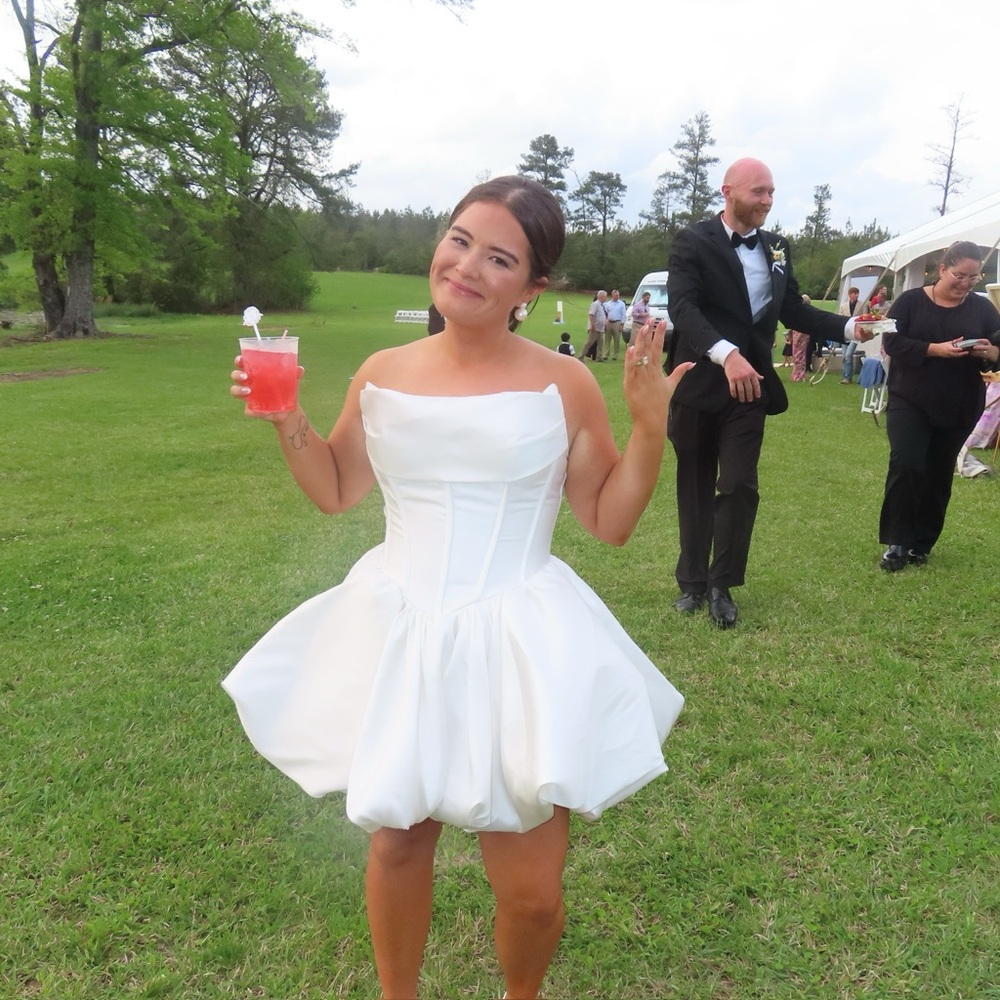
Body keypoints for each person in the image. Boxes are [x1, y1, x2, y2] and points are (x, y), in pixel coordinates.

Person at [223, 175, 690, 1000]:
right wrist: (287, 420)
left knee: (532, 891)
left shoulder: (564, 383)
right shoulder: (382, 371)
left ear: (532, 287)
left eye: (499, 258)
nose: (468, 266)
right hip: (401, 625)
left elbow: (609, 520)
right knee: (398, 842)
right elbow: (337, 488)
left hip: (518, 635)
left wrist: (650, 427)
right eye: (460, 240)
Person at [664, 157, 872, 628]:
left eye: (772, 192)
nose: (767, 200)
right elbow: (683, 307)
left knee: (739, 484)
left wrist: (849, 327)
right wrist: (725, 354)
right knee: (694, 485)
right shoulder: (693, 241)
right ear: (728, 192)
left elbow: (793, 310)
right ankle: (692, 582)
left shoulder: (777, 247)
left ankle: (721, 585)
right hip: (698, 381)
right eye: (758, 191)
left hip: (750, 387)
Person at [877, 240, 1000, 571]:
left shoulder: (982, 308)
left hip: (960, 402)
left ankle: (921, 544)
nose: (966, 284)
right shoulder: (910, 302)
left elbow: (997, 346)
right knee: (906, 464)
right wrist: (935, 349)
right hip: (909, 399)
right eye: (960, 276)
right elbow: (892, 341)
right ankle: (897, 541)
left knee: (938, 472)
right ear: (942, 269)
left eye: (974, 278)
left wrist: (990, 352)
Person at [838, 286, 861, 383]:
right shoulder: (843, 306)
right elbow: (839, 319)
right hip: (845, 333)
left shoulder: (862, 305)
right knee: (844, 355)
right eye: (854, 293)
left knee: (848, 354)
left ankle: (848, 377)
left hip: (855, 334)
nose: (856, 295)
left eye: (857, 293)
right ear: (850, 295)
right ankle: (845, 376)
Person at [581, 289, 607, 361]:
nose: (606, 298)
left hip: (600, 328)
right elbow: (591, 315)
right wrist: (592, 325)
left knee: (600, 343)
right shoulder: (595, 304)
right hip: (595, 328)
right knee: (589, 343)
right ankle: (581, 356)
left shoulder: (602, 305)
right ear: (601, 296)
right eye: (605, 296)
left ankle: (599, 357)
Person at [603, 289, 627, 360]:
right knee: (607, 339)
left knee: (617, 340)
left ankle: (615, 355)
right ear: (612, 295)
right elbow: (605, 314)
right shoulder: (607, 304)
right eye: (616, 295)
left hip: (617, 322)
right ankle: (606, 354)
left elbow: (623, 314)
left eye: (618, 295)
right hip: (609, 322)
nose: (617, 296)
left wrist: (622, 324)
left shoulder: (621, 304)